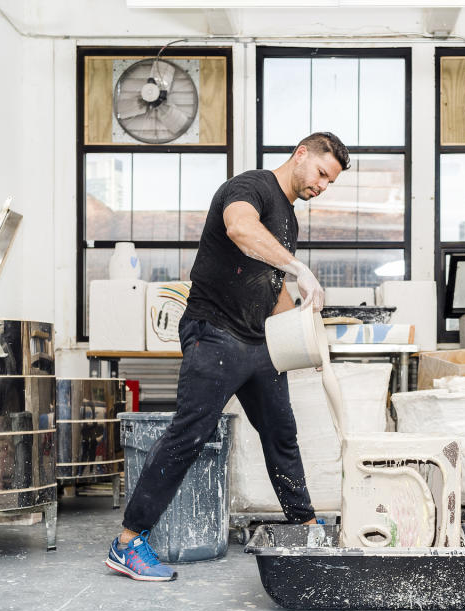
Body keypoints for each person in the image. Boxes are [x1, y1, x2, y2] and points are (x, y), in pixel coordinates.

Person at [105, 132, 350, 581]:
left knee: (282, 435)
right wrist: (299, 269)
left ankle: (308, 528)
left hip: (259, 344)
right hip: (213, 333)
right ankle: (127, 542)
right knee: (188, 437)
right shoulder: (250, 188)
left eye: (330, 182)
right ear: (300, 155)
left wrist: (303, 339)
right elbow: (240, 230)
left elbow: (271, 293)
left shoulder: (289, 222)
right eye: (320, 173)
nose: (322, 186)